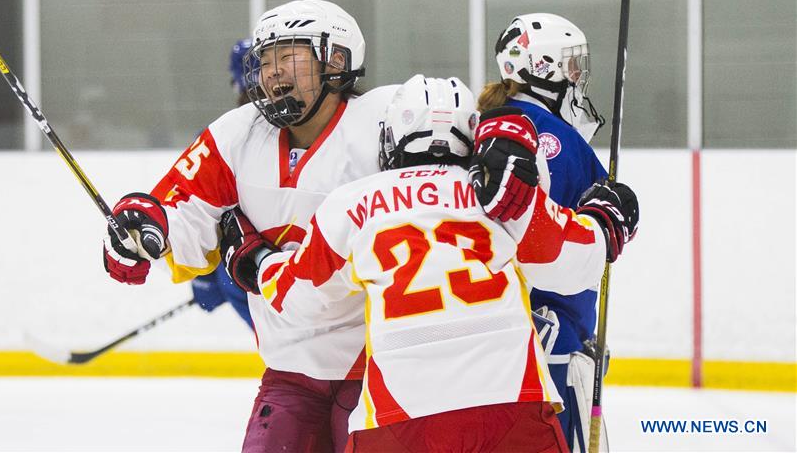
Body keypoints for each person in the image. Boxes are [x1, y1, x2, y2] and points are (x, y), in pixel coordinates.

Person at [225, 74, 626, 452]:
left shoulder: (352, 203)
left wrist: (256, 261)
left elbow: (300, 299)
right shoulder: (501, 197)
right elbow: (575, 262)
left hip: (398, 421)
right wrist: (606, 218)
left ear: (391, 138)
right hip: (511, 408)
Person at [101, 0, 398, 452]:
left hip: (387, 372)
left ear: (336, 61)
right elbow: (182, 221)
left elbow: (457, 130)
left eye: (288, 56)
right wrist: (144, 234)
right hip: (291, 375)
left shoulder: (387, 120)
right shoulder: (235, 134)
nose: (273, 72)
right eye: (265, 60)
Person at [474, 13, 640, 451]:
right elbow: (565, 245)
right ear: (540, 67)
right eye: (570, 65)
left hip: (503, 347)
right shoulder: (551, 136)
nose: (577, 76)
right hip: (550, 347)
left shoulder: (494, 121)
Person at [187, 39, 254, 328]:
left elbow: (202, 214)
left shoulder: (222, 136)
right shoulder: (311, 127)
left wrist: (207, 277)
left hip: (247, 268)